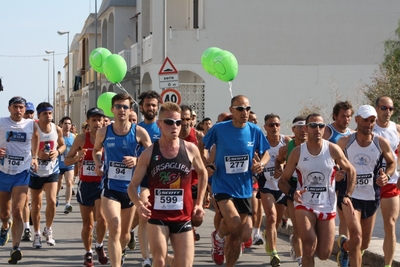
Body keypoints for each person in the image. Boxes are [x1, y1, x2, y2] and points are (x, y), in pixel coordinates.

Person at [128, 102, 207, 267]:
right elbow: (132, 185)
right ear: (159, 124)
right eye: (169, 122)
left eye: (178, 123)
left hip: (183, 216)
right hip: (158, 216)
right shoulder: (149, 153)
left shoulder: (191, 149)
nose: (175, 126)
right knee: (159, 260)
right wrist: (139, 205)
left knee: (185, 264)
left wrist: (199, 203)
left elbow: (203, 173)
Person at [278, 113, 356, 267]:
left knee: (324, 253)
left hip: (326, 204)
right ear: (306, 128)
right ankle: (301, 245)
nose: (317, 129)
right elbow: (282, 181)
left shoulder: (332, 149)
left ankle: (339, 247)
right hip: (304, 204)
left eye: (321, 125)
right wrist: (293, 192)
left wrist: (348, 195)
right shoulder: (297, 153)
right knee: (308, 246)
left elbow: (351, 170)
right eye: (313, 125)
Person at [202, 95, 270, 267]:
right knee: (233, 221)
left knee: (242, 236)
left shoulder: (254, 130)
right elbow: (201, 147)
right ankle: (217, 239)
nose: (244, 112)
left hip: (244, 187)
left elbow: (267, 153)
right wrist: (207, 165)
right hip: (222, 184)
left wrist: (260, 164)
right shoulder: (220, 129)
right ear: (232, 110)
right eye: (240, 109)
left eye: (247, 108)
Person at [93, 93, 152, 267]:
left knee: (125, 234)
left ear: (130, 110)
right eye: (118, 106)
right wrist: (98, 162)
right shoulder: (103, 132)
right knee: (115, 226)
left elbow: (152, 155)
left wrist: (137, 160)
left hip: (131, 189)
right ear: (112, 110)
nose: (121, 110)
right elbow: (97, 150)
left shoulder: (139, 132)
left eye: (125, 107)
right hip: (110, 187)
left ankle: (121, 249)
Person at [336, 105, 396, 267]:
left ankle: (344, 246)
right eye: (365, 120)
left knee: (363, 244)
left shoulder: (380, 143)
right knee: (356, 237)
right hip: (349, 196)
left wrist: (387, 176)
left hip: (371, 196)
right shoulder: (345, 142)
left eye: (372, 121)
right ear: (357, 120)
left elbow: (392, 163)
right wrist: (335, 173)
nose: (368, 124)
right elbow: (329, 162)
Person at [64, 107, 108, 266]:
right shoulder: (82, 139)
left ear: (103, 120)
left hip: (102, 184)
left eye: (99, 120)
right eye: (93, 120)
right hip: (86, 185)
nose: (97, 123)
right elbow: (66, 161)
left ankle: (99, 244)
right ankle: (88, 252)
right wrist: (78, 157)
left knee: (102, 219)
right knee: (88, 225)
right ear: (88, 121)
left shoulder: (108, 138)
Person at [0, 96, 39, 264]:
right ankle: (4, 226)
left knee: (17, 210)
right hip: (2, 171)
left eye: (21, 107)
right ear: (9, 108)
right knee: (4, 213)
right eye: (15, 107)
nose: (18, 110)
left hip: (22, 172)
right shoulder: (1, 122)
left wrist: (35, 157)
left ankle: (15, 248)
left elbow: (36, 137)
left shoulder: (31, 124)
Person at [29, 102, 66, 249]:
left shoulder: (57, 129)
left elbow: (63, 145)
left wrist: (58, 152)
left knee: (52, 201)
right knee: (36, 205)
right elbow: (26, 146)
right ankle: (37, 233)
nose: (48, 116)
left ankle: (48, 230)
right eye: (45, 113)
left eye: (50, 113)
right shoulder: (33, 127)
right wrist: (37, 155)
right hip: (36, 171)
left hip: (52, 170)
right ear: (39, 115)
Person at [274, 116, 307, 266]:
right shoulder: (287, 148)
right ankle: (301, 260)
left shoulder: (315, 145)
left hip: (310, 188)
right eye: (299, 127)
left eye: (305, 126)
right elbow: (279, 159)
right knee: (299, 228)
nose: (303, 130)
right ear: (293, 129)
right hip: (293, 187)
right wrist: (278, 168)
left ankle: (294, 238)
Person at [257, 114, 291, 264]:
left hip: (281, 185)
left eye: (277, 124)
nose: (274, 127)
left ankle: (269, 235)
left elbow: (293, 159)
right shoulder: (261, 142)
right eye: (271, 125)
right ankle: (274, 253)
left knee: (276, 221)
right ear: (265, 127)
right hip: (266, 184)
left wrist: (283, 167)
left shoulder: (286, 141)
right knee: (270, 217)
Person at [372, 97, 400, 267]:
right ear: (377, 109)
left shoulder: (397, 129)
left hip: (391, 182)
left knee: (390, 224)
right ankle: (357, 251)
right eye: (384, 107)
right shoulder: (368, 127)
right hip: (369, 183)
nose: (387, 111)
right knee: (365, 229)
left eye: (390, 108)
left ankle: (387, 265)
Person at [135, 90, 161, 267]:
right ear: (141, 107)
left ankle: (157, 253)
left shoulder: (165, 127)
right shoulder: (136, 129)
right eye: (147, 105)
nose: (150, 108)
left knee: (160, 219)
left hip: (163, 180)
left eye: (153, 105)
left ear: (158, 107)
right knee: (145, 215)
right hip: (143, 181)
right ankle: (146, 258)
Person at [322, 100, 354, 240]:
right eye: (342, 116)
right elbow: (319, 155)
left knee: (344, 217)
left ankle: (343, 249)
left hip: (344, 179)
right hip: (327, 178)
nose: (346, 119)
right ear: (335, 116)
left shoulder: (352, 134)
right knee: (325, 214)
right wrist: (334, 172)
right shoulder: (327, 132)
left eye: (348, 116)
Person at [179, 105, 204, 242]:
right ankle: (187, 234)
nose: (184, 122)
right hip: (177, 182)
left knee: (196, 218)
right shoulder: (171, 135)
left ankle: (191, 228)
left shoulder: (198, 136)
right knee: (183, 214)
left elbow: (203, 163)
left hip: (194, 181)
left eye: (187, 119)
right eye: (181, 119)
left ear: (192, 119)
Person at [21, 101, 36, 242]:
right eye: (27, 112)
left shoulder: (37, 126)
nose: (29, 115)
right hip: (22, 168)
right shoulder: (16, 127)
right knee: (25, 199)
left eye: (31, 112)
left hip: (38, 168)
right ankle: (27, 228)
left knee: (34, 201)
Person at [56, 116, 76, 214]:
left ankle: (67, 204)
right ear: (61, 124)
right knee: (59, 184)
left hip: (69, 164)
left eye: (69, 123)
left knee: (69, 182)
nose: (67, 125)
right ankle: (55, 197)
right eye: (65, 123)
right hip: (58, 164)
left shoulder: (74, 137)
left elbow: (78, 148)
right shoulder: (58, 137)